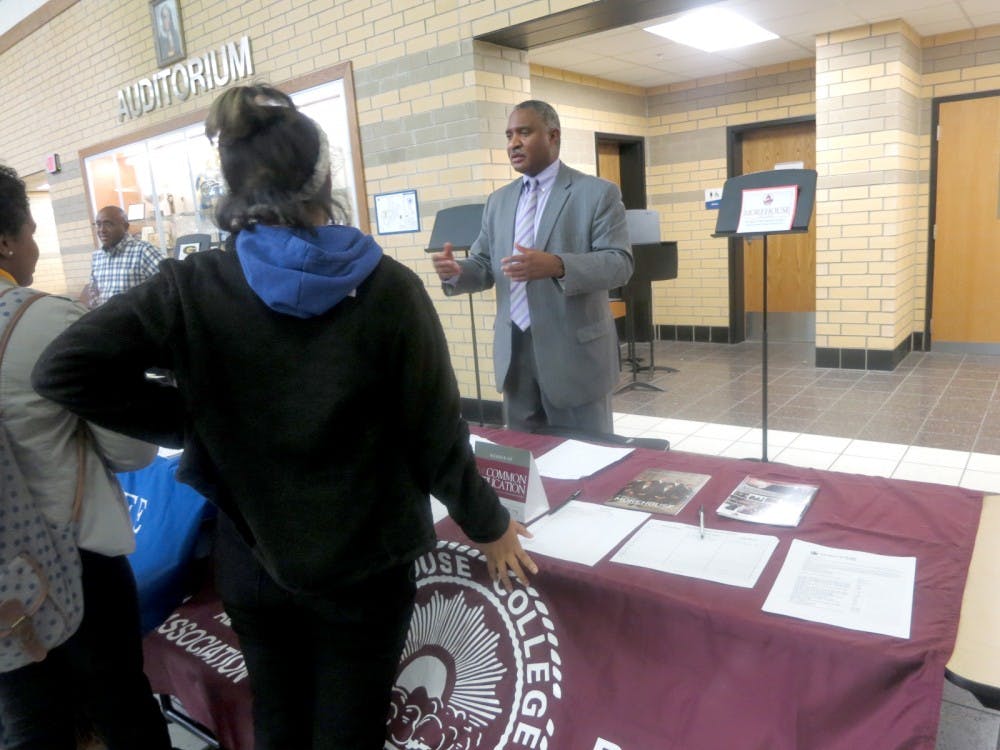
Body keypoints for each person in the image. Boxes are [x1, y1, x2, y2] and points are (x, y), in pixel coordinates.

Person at [32, 84, 537, 750]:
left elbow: (63, 368)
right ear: (325, 181)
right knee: (347, 733)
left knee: (277, 722)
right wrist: (491, 525)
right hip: (365, 568)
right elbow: (435, 438)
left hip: (255, 562)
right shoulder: (390, 291)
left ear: (233, 189)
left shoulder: (196, 286)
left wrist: (198, 419)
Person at [0, 164, 171, 749]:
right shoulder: (45, 321)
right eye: (28, 230)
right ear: (6, 240)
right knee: (120, 702)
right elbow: (134, 447)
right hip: (75, 558)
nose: (34, 244)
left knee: (29, 720)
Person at [431, 100, 633, 434]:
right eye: (509, 135)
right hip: (515, 354)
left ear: (553, 136)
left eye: (524, 132)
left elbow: (619, 264)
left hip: (574, 356)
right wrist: (458, 272)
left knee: (586, 461)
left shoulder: (597, 194)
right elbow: (484, 264)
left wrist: (557, 265)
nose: (513, 143)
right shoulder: (498, 201)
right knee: (528, 463)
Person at [87, 205, 164, 307]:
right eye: (98, 224)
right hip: (106, 320)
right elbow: (94, 294)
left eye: (108, 224)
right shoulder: (97, 257)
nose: (102, 230)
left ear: (126, 226)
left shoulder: (143, 251)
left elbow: (170, 284)